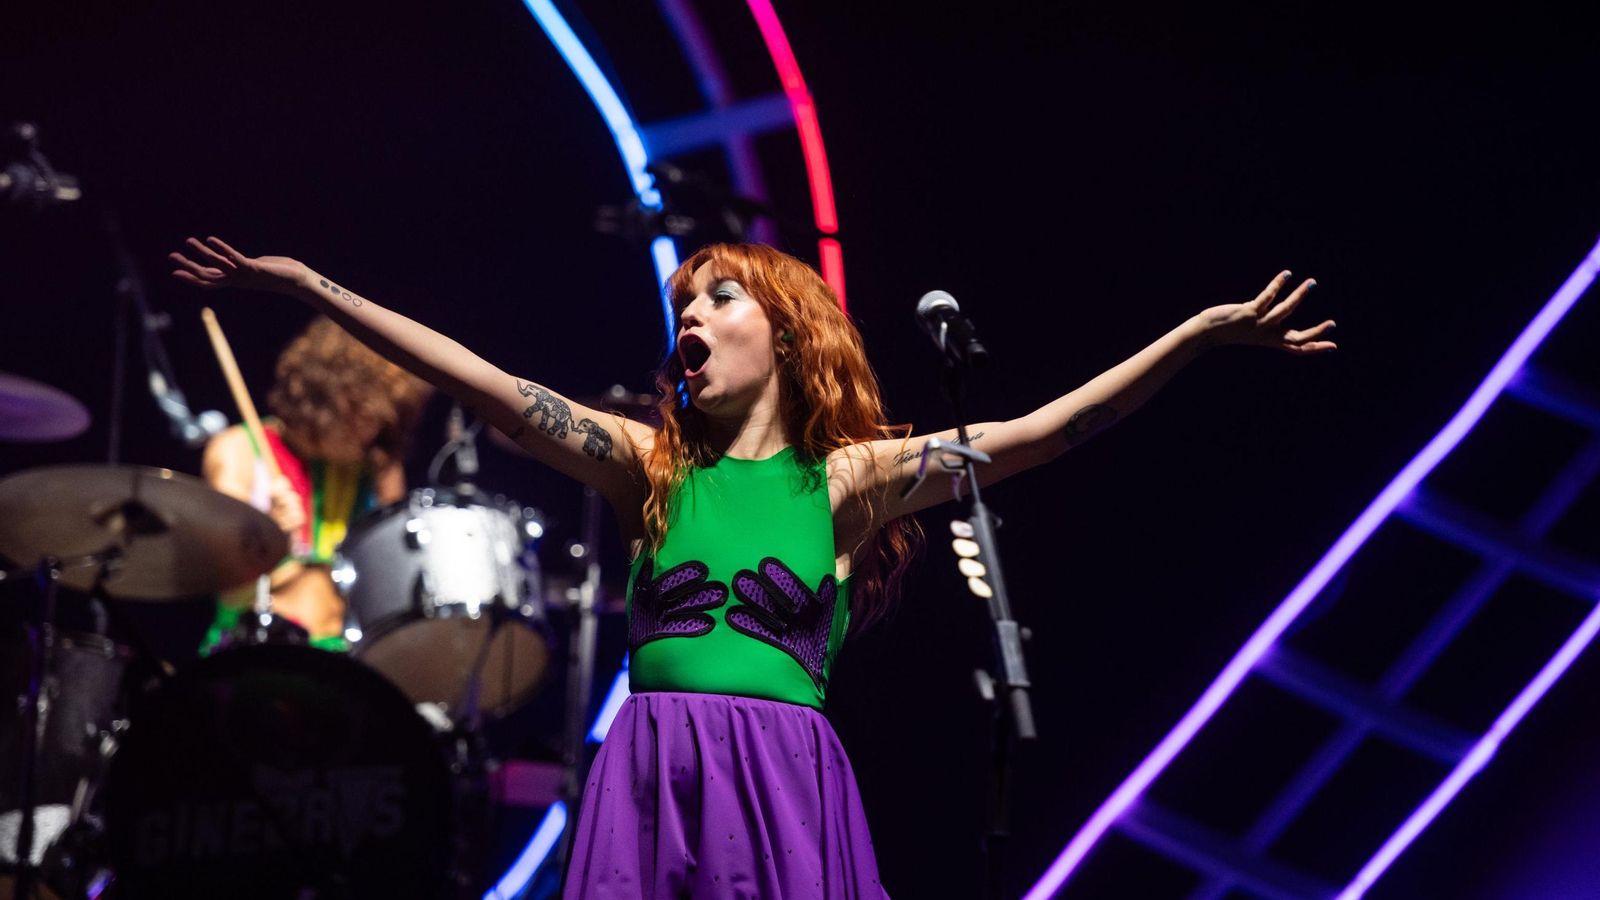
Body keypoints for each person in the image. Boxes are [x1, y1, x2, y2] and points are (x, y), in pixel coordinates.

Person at [170, 235, 1334, 897]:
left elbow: (1040, 434)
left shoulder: (848, 481)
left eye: (717, 295)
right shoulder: (648, 468)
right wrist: (320, 291)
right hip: (653, 764)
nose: (691, 312)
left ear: (783, 331)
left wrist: (1191, 339)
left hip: (783, 777)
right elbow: (486, 385)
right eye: (682, 300)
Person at [199, 315, 430, 651]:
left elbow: (393, 582)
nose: (376, 436)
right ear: (337, 399)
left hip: (350, 657)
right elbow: (225, 586)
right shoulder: (237, 450)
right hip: (253, 650)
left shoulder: (373, 465)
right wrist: (267, 539)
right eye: (370, 418)